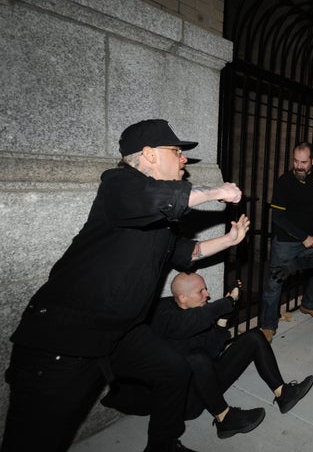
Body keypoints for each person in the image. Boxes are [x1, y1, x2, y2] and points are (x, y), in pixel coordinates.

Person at [1, 119, 249, 452]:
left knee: (173, 369)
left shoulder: (159, 218)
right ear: (147, 155)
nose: (183, 160)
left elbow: (188, 252)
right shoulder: (118, 185)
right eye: (175, 152)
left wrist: (230, 239)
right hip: (65, 339)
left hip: (121, 334)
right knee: (36, 440)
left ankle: (162, 445)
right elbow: (154, 198)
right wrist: (217, 192)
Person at [101, 272, 313, 440]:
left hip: (204, 382)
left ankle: (282, 392)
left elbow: (211, 350)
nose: (207, 295)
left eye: (206, 289)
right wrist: (225, 303)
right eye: (200, 291)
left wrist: (222, 320)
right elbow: (186, 329)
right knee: (196, 357)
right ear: (182, 297)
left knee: (254, 337)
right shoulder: (163, 315)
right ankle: (224, 417)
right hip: (183, 401)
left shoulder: (198, 312)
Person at [260, 141, 313, 343]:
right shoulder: (285, 182)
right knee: (275, 282)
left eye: (304, 162)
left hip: (309, 237)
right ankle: (268, 325)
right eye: (296, 161)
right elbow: (278, 218)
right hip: (286, 241)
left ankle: (309, 304)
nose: (299, 166)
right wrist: (303, 237)